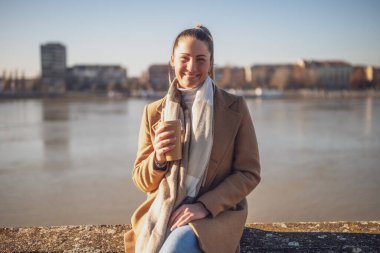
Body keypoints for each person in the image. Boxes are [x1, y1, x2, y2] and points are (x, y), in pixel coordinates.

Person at [124, 25, 261, 253]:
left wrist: (204, 206)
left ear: (210, 62)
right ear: (172, 60)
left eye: (200, 60)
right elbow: (142, 181)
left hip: (215, 214)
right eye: (184, 59)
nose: (191, 67)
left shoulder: (234, 108)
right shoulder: (154, 112)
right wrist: (158, 158)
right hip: (164, 211)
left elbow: (249, 173)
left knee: (173, 249)